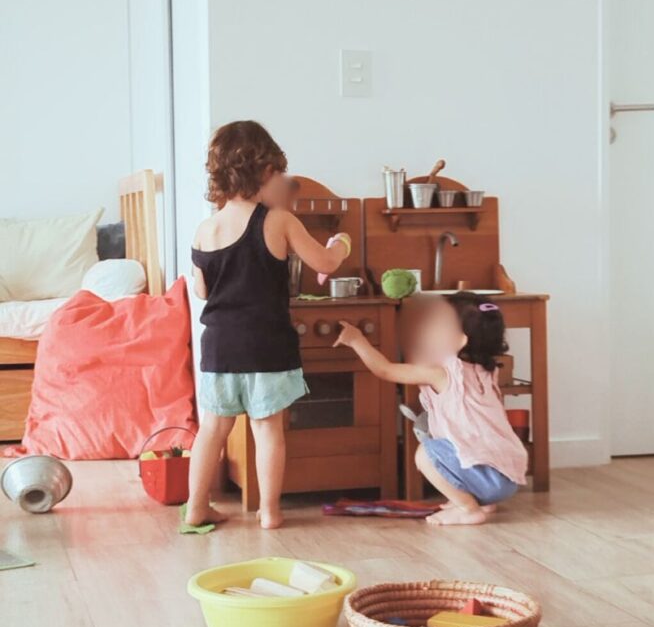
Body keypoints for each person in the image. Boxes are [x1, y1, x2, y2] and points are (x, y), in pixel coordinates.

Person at [186, 120, 351, 529]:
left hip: (220, 347)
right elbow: (325, 264)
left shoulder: (206, 228)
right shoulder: (278, 220)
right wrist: (342, 243)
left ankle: (195, 508)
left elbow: (202, 290)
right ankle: (270, 512)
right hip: (266, 345)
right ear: (263, 171)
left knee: (212, 430)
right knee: (268, 429)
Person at [335, 293, 527, 525]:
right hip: (508, 477)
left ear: (459, 341)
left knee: (425, 455)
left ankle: (468, 508)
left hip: (488, 478)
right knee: (457, 445)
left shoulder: (441, 372)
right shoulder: (486, 370)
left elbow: (385, 370)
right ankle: (480, 501)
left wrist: (357, 340)